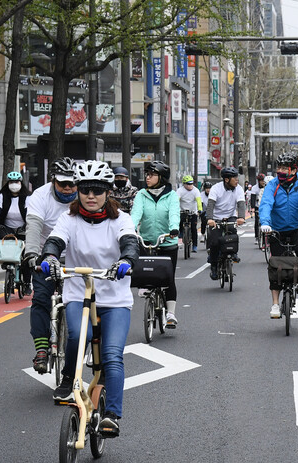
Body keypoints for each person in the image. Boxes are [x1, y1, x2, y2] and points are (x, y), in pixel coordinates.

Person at [38, 161, 139, 436]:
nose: (90, 196)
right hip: (78, 291)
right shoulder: (68, 219)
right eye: (85, 190)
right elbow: (56, 241)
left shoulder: (121, 219)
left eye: (97, 190)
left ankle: (112, 415)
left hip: (115, 297)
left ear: (108, 192)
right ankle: (69, 377)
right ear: (78, 192)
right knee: (75, 337)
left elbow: (129, 242)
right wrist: (49, 256)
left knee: (112, 356)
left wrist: (127, 260)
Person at [24, 156, 77, 374]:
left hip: (75, 255)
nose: (67, 188)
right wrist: (32, 254)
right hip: (46, 255)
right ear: (53, 180)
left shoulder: (84, 196)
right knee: (41, 300)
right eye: (62, 183)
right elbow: (34, 226)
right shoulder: (40, 196)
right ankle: (42, 349)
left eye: (71, 183)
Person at [258, 153, 298, 318]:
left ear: (293, 170)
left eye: (284, 168)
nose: (280, 171)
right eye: (279, 167)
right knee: (275, 267)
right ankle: (275, 304)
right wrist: (265, 223)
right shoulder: (273, 185)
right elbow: (266, 204)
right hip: (276, 229)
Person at [131, 161, 181, 328]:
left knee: (168, 278)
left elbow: (174, 213)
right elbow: (136, 214)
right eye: (147, 174)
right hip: (146, 240)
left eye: (152, 174)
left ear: (161, 177)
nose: (148, 177)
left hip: (167, 241)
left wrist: (174, 228)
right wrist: (130, 229)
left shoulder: (171, 195)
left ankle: (171, 313)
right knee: (144, 272)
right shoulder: (141, 195)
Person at [0, 171, 32, 294]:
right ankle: (8, 268)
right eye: (12, 182)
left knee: (26, 258)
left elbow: (30, 214)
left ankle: (27, 282)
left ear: (21, 183)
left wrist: (27, 226)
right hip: (7, 228)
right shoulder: (1, 197)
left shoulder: (27, 197)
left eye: (17, 182)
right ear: (8, 183)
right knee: (6, 252)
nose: (14, 184)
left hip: (23, 228)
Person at [206, 167, 246, 280]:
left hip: (231, 216)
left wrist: (241, 217)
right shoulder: (215, 189)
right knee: (214, 242)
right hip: (216, 218)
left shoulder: (238, 189)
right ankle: (214, 266)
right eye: (235, 178)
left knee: (233, 233)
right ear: (227, 180)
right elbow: (210, 205)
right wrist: (209, 219)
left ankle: (233, 254)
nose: (237, 180)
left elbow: (241, 204)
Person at [178, 175, 203, 253]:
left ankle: (194, 245)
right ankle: (181, 232)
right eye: (188, 184)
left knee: (193, 228)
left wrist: (199, 210)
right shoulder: (180, 191)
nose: (190, 186)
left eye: (191, 184)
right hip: (183, 210)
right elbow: (176, 201)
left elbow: (199, 201)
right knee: (180, 221)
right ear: (184, 184)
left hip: (193, 211)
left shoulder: (196, 191)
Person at [249, 173, 267, 238]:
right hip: (258, 206)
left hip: (265, 206)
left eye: (263, 181)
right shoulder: (254, 188)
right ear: (258, 181)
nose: (263, 182)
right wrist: (253, 208)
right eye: (261, 181)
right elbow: (253, 198)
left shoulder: (267, 187)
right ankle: (257, 236)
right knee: (257, 221)